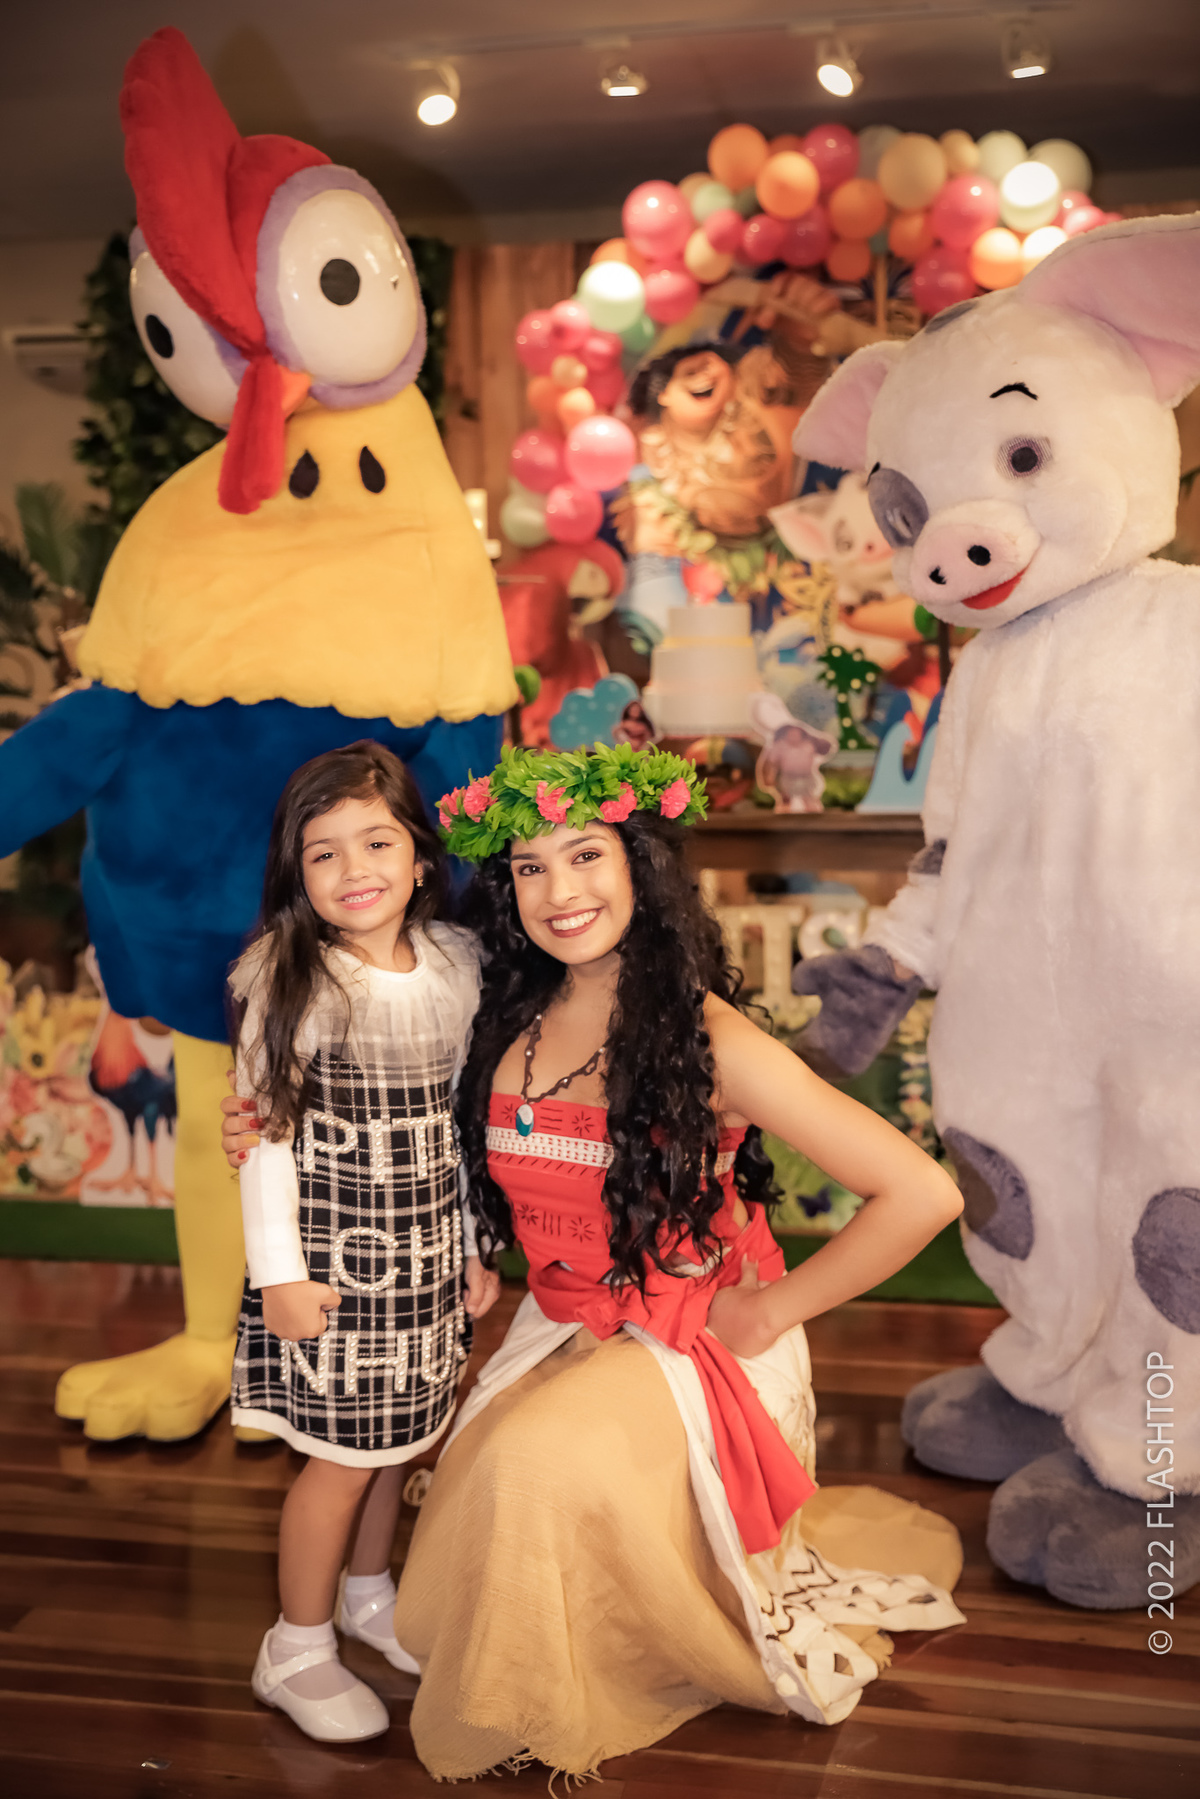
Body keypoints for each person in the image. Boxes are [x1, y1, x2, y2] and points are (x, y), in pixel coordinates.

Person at [221, 744, 966, 1781]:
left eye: (586, 856)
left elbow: (924, 1193)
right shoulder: (499, 1006)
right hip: (562, 1317)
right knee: (454, 1466)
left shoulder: (710, 1038)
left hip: (695, 1334)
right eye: (530, 867)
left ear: (638, 866)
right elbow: (386, 1109)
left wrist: (770, 1311)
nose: (560, 891)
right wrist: (260, 1128)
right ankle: (340, 1624)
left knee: (527, 1466)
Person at [225, 741, 499, 1745]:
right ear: (295, 872)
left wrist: (472, 1242)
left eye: (377, 842)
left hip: (422, 1260)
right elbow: (264, 1137)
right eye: (324, 852)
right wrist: (280, 1274)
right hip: (332, 1272)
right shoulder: (292, 979)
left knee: (399, 1441)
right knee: (339, 1459)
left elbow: (459, 1125)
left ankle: (366, 1591)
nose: (354, 869)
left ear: (421, 856)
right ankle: (294, 1643)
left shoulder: (456, 966)